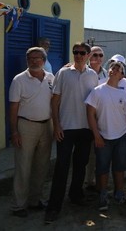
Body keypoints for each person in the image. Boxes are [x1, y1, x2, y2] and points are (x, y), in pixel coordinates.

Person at [45, 42, 98, 224]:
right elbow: (55, 102)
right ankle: (53, 207)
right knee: (61, 168)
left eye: (82, 52)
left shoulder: (93, 75)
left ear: (88, 55)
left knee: (80, 165)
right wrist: (56, 126)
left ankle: (76, 195)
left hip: (85, 128)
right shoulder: (63, 73)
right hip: (66, 128)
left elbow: (96, 102)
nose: (78, 55)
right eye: (75, 52)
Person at [86, 61, 126, 211]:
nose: (114, 70)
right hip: (103, 136)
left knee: (120, 167)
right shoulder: (97, 91)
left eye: (118, 69)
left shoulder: (123, 93)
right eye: (113, 67)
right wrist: (96, 135)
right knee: (102, 168)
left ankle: (119, 194)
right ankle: (103, 196)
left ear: (122, 75)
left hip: (121, 136)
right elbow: (90, 114)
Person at [9, 47, 54, 218]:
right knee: (23, 166)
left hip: (46, 126)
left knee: (42, 166)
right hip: (26, 126)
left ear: (44, 60)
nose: (34, 61)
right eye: (31, 58)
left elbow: (54, 103)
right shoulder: (19, 80)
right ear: (27, 60)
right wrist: (14, 132)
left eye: (38, 58)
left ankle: (35, 201)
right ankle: (19, 205)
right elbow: (13, 108)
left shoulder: (51, 78)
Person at [84, 46, 107, 192]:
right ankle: (88, 182)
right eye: (94, 55)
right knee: (87, 154)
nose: (97, 58)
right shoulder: (82, 72)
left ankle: (98, 182)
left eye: (100, 55)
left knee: (100, 153)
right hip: (85, 119)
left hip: (102, 119)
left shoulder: (107, 75)